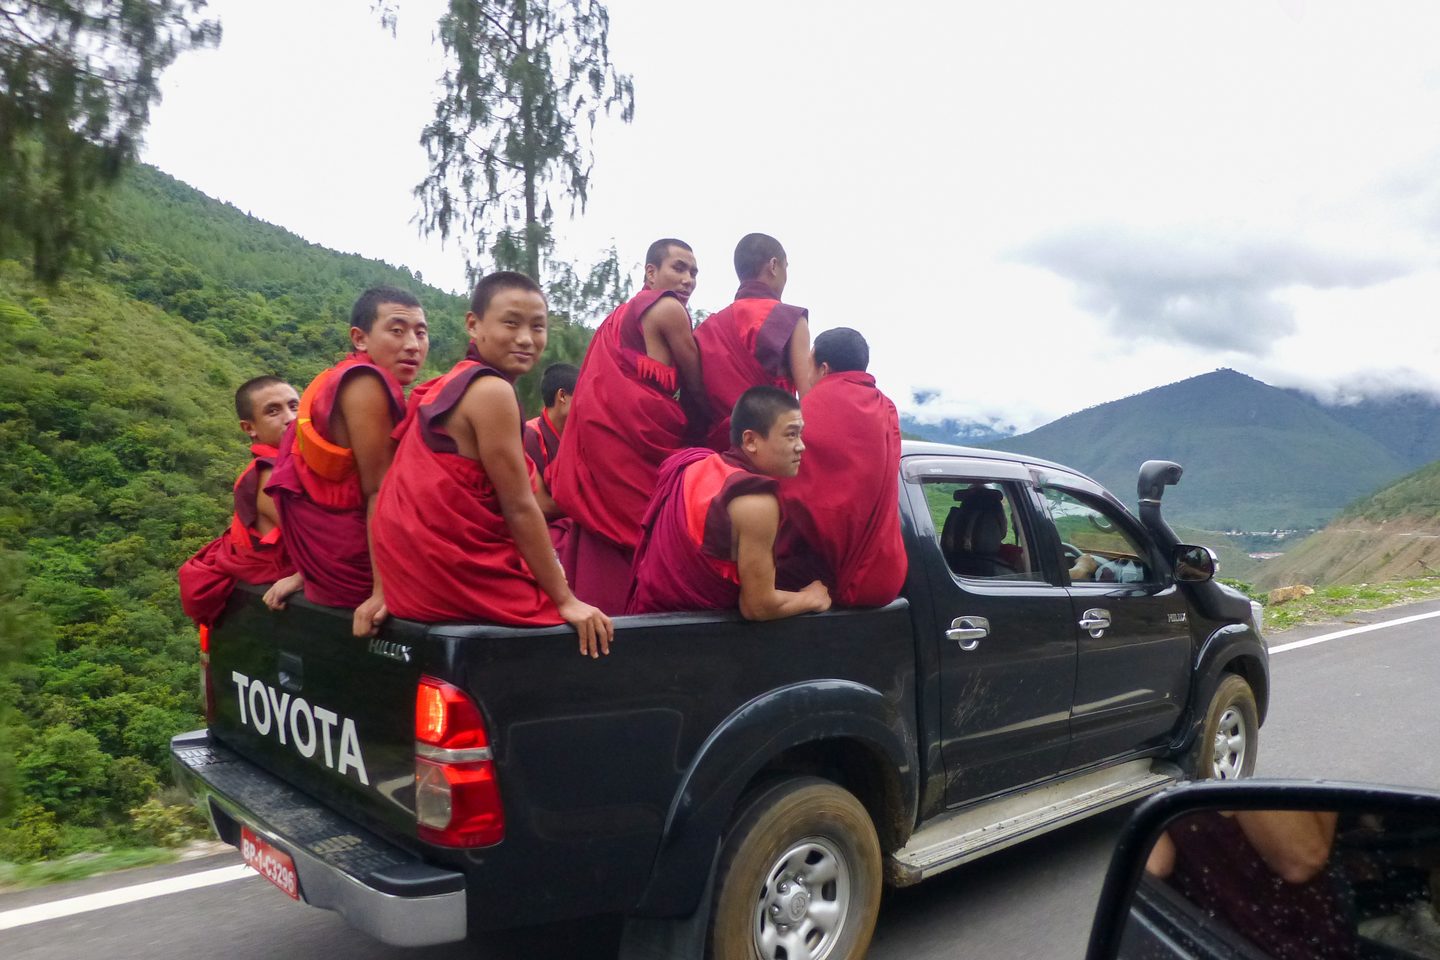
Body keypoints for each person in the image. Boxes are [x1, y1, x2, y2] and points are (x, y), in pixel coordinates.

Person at [370, 272, 612, 656]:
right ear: (473, 324)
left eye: (538, 327)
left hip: (411, 581)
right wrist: (565, 601)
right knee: (578, 629)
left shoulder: (452, 381)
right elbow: (518, 505)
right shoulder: (492, 391)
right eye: (510, 323)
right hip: (449, 578)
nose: (526, 339)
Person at [548, 238, 707, 613]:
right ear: (651, 273)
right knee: (650, 530)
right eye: (679, 268)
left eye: (694, 272)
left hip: (610, 444)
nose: (688, 280)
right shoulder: (668, 308)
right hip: (642, 444)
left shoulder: (615, 318)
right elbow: (698, 384)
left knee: (602, 531)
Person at [263, 286, 428, 636]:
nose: (412, 344)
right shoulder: (365, 382)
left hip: (328, 564)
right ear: (360, 338)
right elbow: (378, 490)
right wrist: (382, 591)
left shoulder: (334, 378)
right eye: (397, 330)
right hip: (357, 566)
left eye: (420, 332)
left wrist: (303, 574)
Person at [628, 386, 832, 620]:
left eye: (800, 434)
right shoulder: (756, 502)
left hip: (645, 626)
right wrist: (812, 598)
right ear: (751, 440)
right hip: (704, 641)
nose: (801, 446)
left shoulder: (692, 466)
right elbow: (757, 607)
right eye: (790, 434)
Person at [775, 328, 907, 606]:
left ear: (823, 368)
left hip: (819, 580)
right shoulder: (886, 408)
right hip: (884, 579)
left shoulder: (808, 409)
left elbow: (792, 495)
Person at [178, 376, 300, 628]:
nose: (289, 418)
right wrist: (302, 578)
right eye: (273, 411)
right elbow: (318, 545)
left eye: (294, 406)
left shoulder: (293, 463)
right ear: (249, 428)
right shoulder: (269, 477)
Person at [693, 233, 813, 451]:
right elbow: (809, 400)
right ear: (774, 266)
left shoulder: (707, 329)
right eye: (786, 267)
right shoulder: (788, 319)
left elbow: (698, 396)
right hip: (772, 451)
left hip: (721, 452)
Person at [522, 362, 578, 520]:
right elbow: (542, 505)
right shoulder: (529, 436)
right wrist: (590, 507)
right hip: (542, 529)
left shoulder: (580, 436)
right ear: (562, 396)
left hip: (574, 522)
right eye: (583, 395)